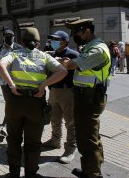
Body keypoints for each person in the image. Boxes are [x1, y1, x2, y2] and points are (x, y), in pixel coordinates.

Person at [0, 27, 67, 178]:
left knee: (14, 140)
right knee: (33, 143)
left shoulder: (14, 54)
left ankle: (14, 173)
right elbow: (63, 71)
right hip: (36, 104)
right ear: (38, 43)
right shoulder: (44, 56)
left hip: (15, 102)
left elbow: (1, 65)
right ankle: (30, 174)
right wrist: (43, 86)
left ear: (22, 42)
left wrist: (11, 85)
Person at [61, 19, 111, 178]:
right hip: (86, 98)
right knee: (91, 135)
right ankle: (92, 168)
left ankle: (93, 174)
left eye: (77, 32)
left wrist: (67, 62)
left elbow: (71, 65)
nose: (75, 36)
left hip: (90, 99)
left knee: (86, 137)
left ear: (87, 31)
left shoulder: (97, 50)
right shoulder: (90, 47)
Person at [42, 30, 79, 164]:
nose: (53, 42)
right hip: (53, 91)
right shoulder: (53, 54)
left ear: (65, 42)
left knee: (70, 122)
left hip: (68, 92)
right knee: (54, 118)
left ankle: (70, 149)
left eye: (56, 40)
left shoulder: (73, 54)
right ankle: (55, 140)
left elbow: (81, 72)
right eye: (52, 40)